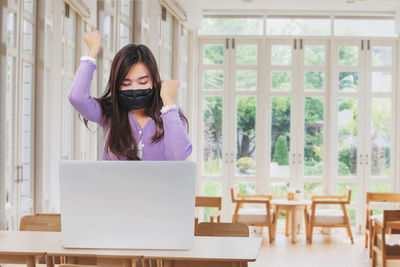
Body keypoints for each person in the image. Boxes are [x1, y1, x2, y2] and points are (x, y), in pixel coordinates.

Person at [68, 30, 192, 160]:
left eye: (143, 82)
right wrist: (92, 52)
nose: (134, 89)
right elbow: (77, 97)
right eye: (126, 84)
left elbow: (179, 157)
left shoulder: (172, 116)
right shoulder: (109, 113)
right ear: (116, 85)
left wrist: (167, 100)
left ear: (154, 81)